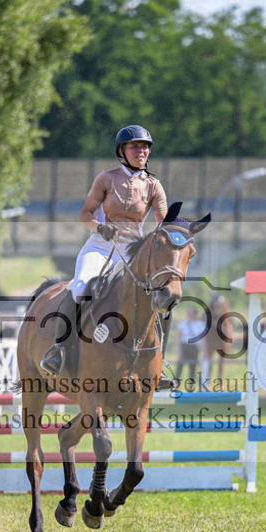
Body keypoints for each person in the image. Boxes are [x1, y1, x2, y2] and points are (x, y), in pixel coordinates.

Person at [39, 125, 171, 387]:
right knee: (79, 287)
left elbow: (163, 222)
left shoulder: (153, 186)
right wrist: (101, 227)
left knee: (162, 299)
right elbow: (85, 214)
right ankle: (59, 351)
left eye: (145, 146)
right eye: (135, 146)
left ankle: (159, 363)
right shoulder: (106, 179)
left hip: (132, 251)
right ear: (122, 151)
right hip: (100, 246)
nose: (142, 150)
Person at [176, 306, 205, 384]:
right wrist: (179, 351)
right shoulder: (182, 324)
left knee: (193, 367)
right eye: (189, 313)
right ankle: (176, 385)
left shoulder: (200, 324)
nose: (191, 315)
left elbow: (203, 339)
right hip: (184, 346)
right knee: (180, 367)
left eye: (192, 313)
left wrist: (203, 351)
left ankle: (191, 387)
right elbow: (179, 338)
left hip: (194, 347)